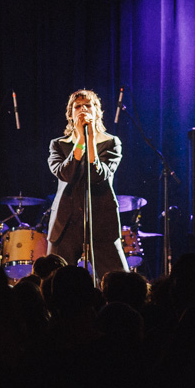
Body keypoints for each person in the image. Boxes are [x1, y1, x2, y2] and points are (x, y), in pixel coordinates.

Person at [47, 89, 128, 281]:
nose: (83, 109)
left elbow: (98, 175)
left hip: (101, 221)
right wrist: (81, 142)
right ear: (70, 114)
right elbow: (65, 174)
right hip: (66, 223)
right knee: (54, 281)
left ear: (97, 112)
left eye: (88, 105)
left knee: (119, 281)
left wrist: (90, 140)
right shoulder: (58, 145)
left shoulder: (111, 143)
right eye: (77, 106)